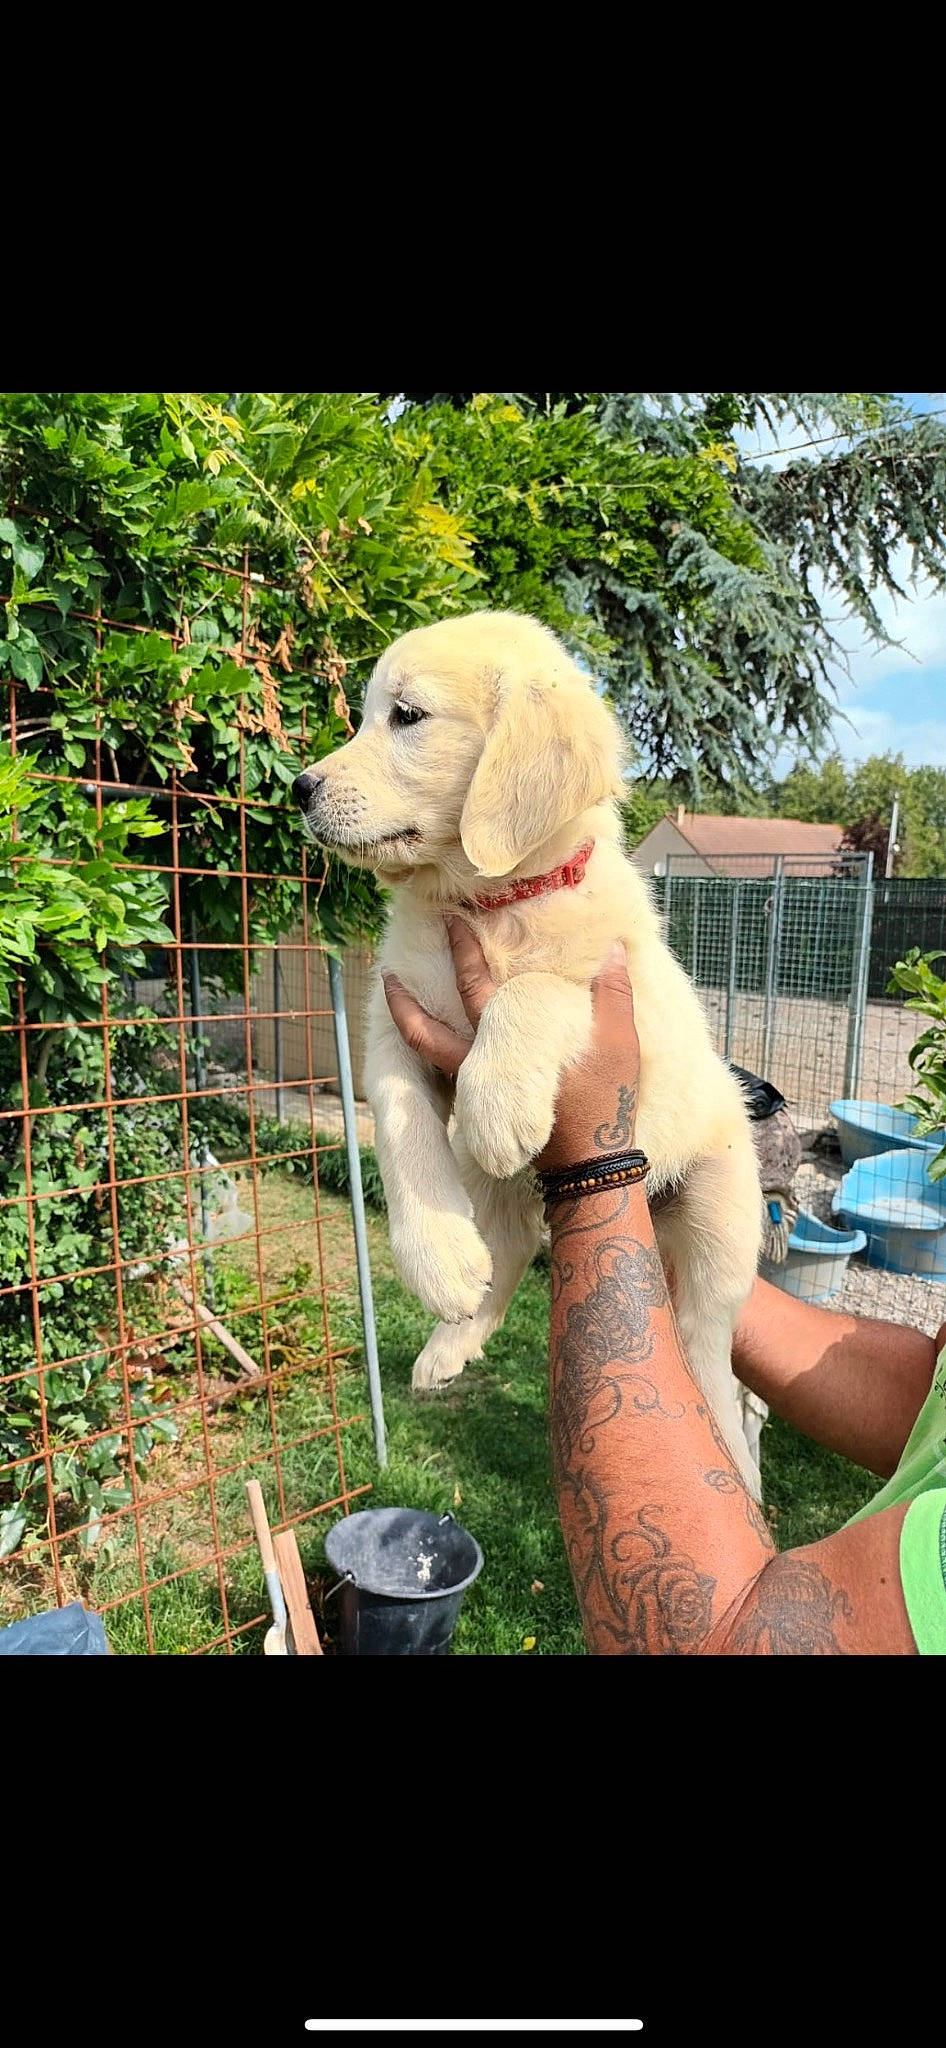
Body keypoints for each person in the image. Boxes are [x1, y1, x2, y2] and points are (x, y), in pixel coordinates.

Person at [382, 918, 946, 1655]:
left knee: (707, 1347)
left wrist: (592, 1180)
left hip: (680, 1151)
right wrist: (647, 1253)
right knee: (706, 1336)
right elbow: (933, 1393)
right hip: (645, 1160)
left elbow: (717, 1638)